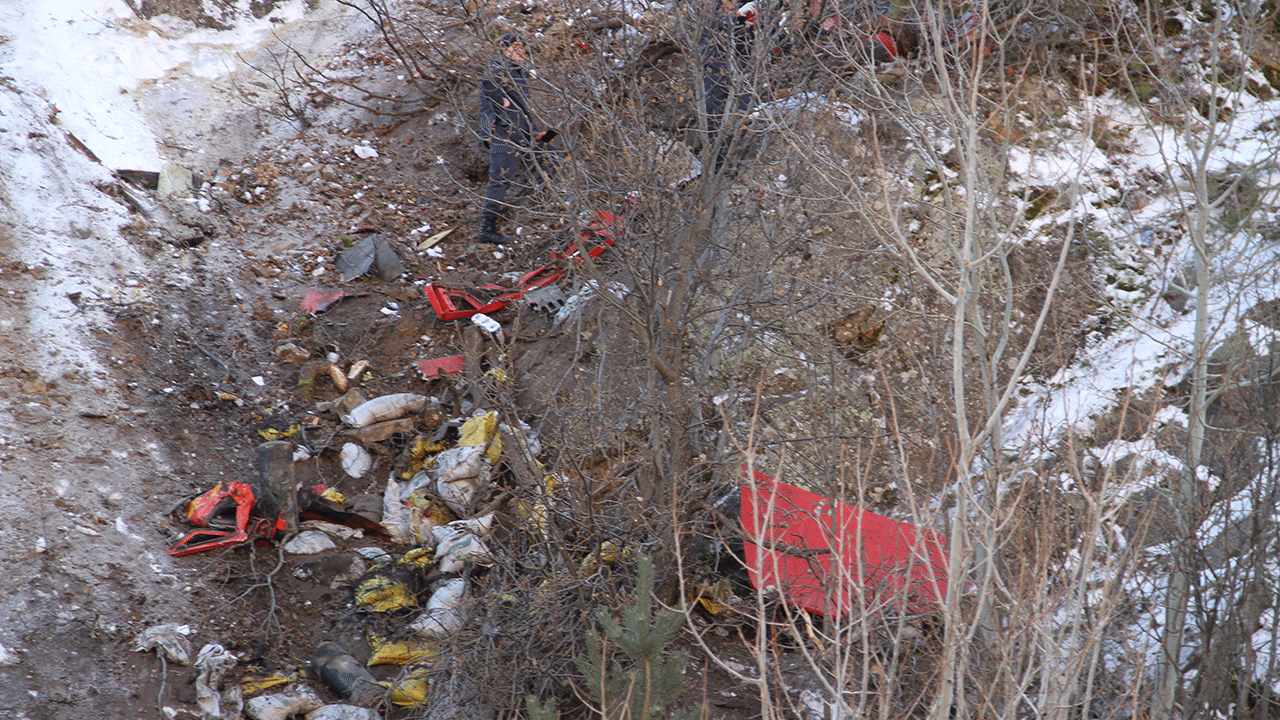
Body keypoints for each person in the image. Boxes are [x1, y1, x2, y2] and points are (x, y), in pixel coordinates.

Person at [476, 33, 556, 245]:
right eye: (515, 46)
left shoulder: (519, 72)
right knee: (500, 181)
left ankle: (543, 205)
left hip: (526, 132)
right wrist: (487, 134)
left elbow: (524, 109)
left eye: (522, 46)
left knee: (551, 155)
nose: (520, 50)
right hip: (505, 135)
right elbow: (486, 104)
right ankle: (487, 229)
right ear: (504, 49)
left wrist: (539, 133)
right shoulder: (497, 70)